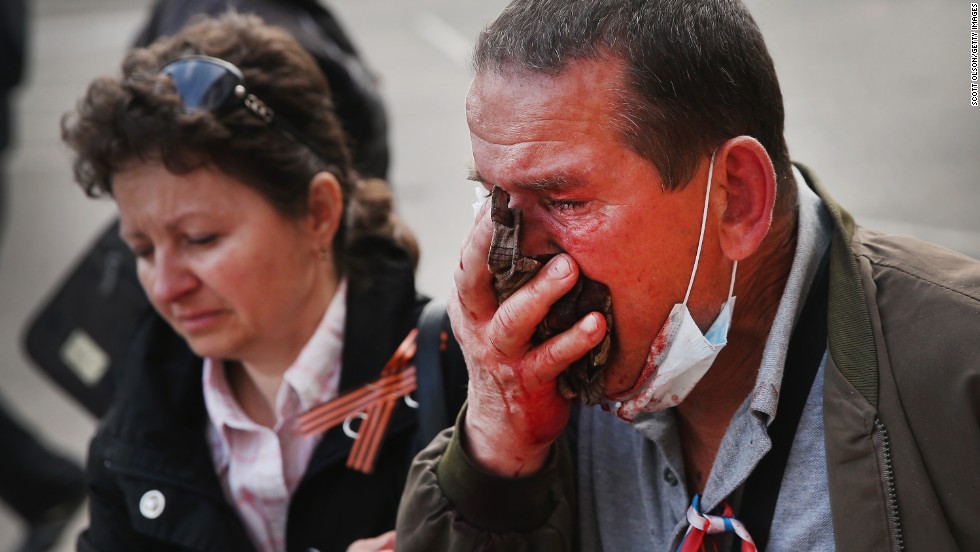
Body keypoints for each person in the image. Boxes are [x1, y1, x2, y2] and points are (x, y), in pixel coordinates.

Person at [395, 0, 980, 551]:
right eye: (494, 201)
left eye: (565, 203)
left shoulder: (956, 371)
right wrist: (497, 460)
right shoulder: (520, 391)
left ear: (736, 198)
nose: (511, 262)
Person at [61, 13, 465, 552]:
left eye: (201, 238)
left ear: (318, 211)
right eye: (141, 249)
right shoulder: (134, 435)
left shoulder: (463, 386)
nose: (165, 285)